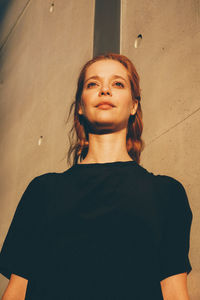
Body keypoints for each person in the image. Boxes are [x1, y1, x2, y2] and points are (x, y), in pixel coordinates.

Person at [0, 53, 193, 300]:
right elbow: (17, 290)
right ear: (80, 105)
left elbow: (174, 292)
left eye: (117, 83)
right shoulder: (43, 190)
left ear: (134, 105)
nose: (104, 90)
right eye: (93, 84)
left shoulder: (167, 193)